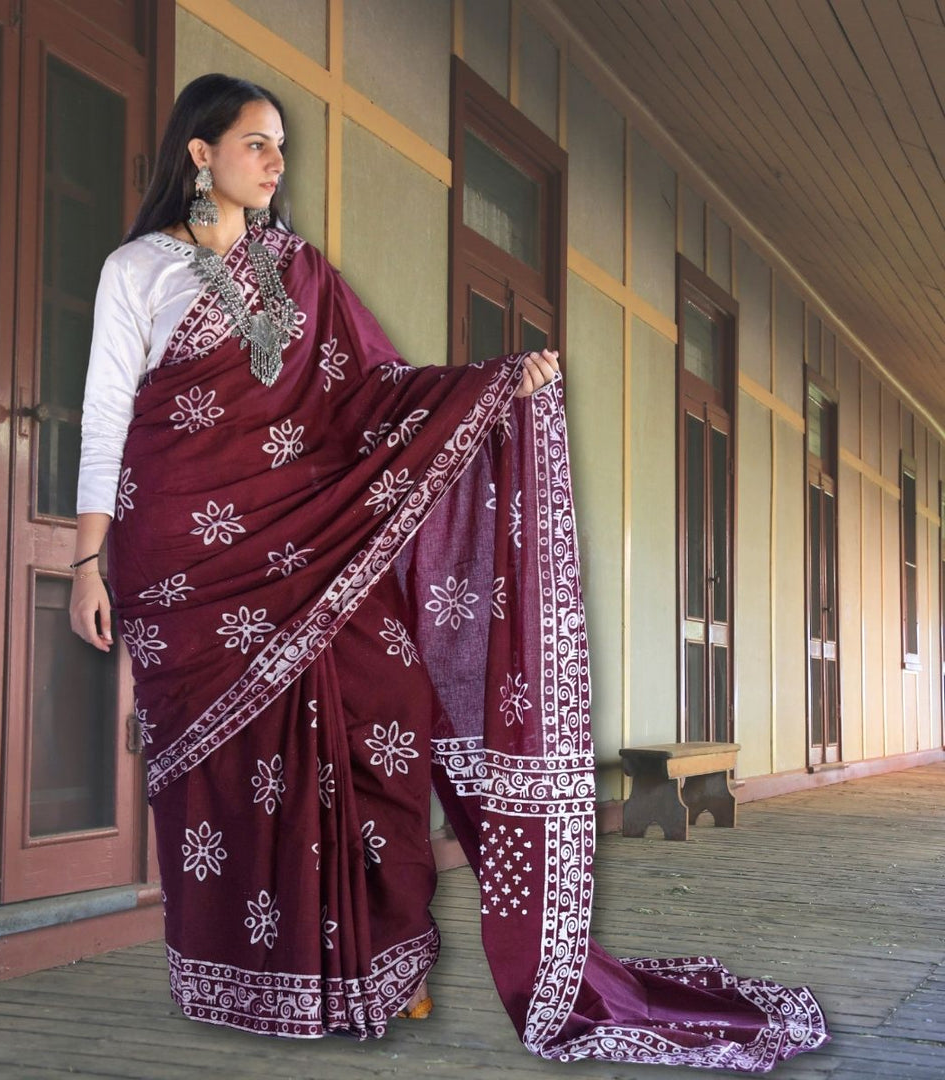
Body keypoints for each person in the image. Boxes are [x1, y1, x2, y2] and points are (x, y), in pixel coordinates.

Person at [71, 73, 828, 1071]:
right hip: (185, 555)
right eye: (258, 143)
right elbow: (105, 418)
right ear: (200, 152)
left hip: (309, 543)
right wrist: (86, 559)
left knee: (380, 705)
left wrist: (493, 383)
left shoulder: (299, 275)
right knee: (224, 775)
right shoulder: (138, 271)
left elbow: (372, 393)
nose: (277, 163)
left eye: (284, 147)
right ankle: (251, 980)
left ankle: (377, 965)